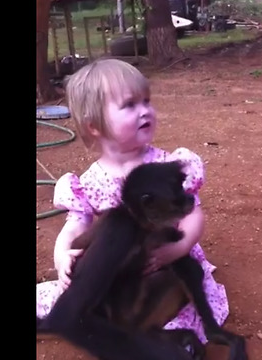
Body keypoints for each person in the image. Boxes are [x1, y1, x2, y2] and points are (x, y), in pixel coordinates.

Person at [36, 58, 229, 343]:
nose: (145, 111)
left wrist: (178, 248)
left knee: (175, 313)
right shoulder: (88, 181)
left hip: (163, 267)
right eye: (130, 105)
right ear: (94, 127)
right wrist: (62, 255)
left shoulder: (168, 165)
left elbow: (192, 214)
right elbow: (75, 226)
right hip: (121, 274)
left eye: (147, 101)